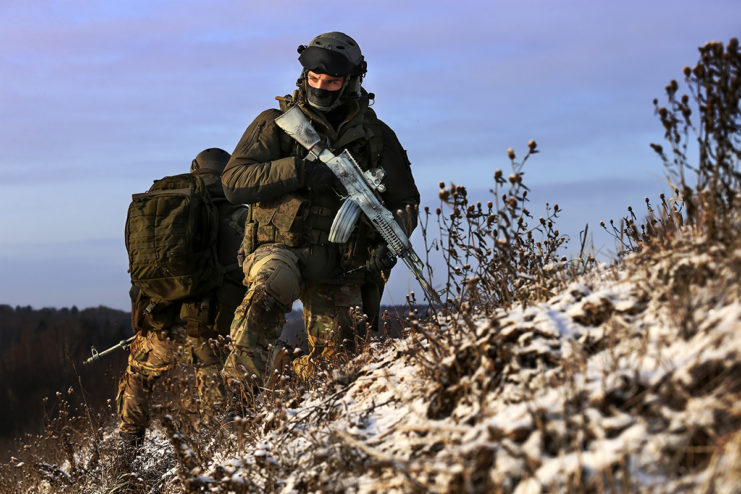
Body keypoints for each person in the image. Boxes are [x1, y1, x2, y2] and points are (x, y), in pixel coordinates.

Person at [220, 32, 420, 389]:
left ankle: (288, 375)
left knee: (340, 370)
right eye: (314, 79)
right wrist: (297, 171)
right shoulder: (276, 123)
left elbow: (405, 203)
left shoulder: (376, 136)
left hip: (341, 263)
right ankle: (235, 408)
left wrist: (386, 248)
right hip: (279, 249)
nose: (321, 87)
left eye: (331, 81)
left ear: (352, 81)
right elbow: (234, 181)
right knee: (265, 296)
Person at [117, 148, 249, 447]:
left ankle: (126, 446)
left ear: (194, 171)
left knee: (137, 376)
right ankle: (222, 457)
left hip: (162, 328)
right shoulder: (242, 215)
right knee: (219, 413)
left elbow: (141, 277)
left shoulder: (168, 211)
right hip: (212, 332)